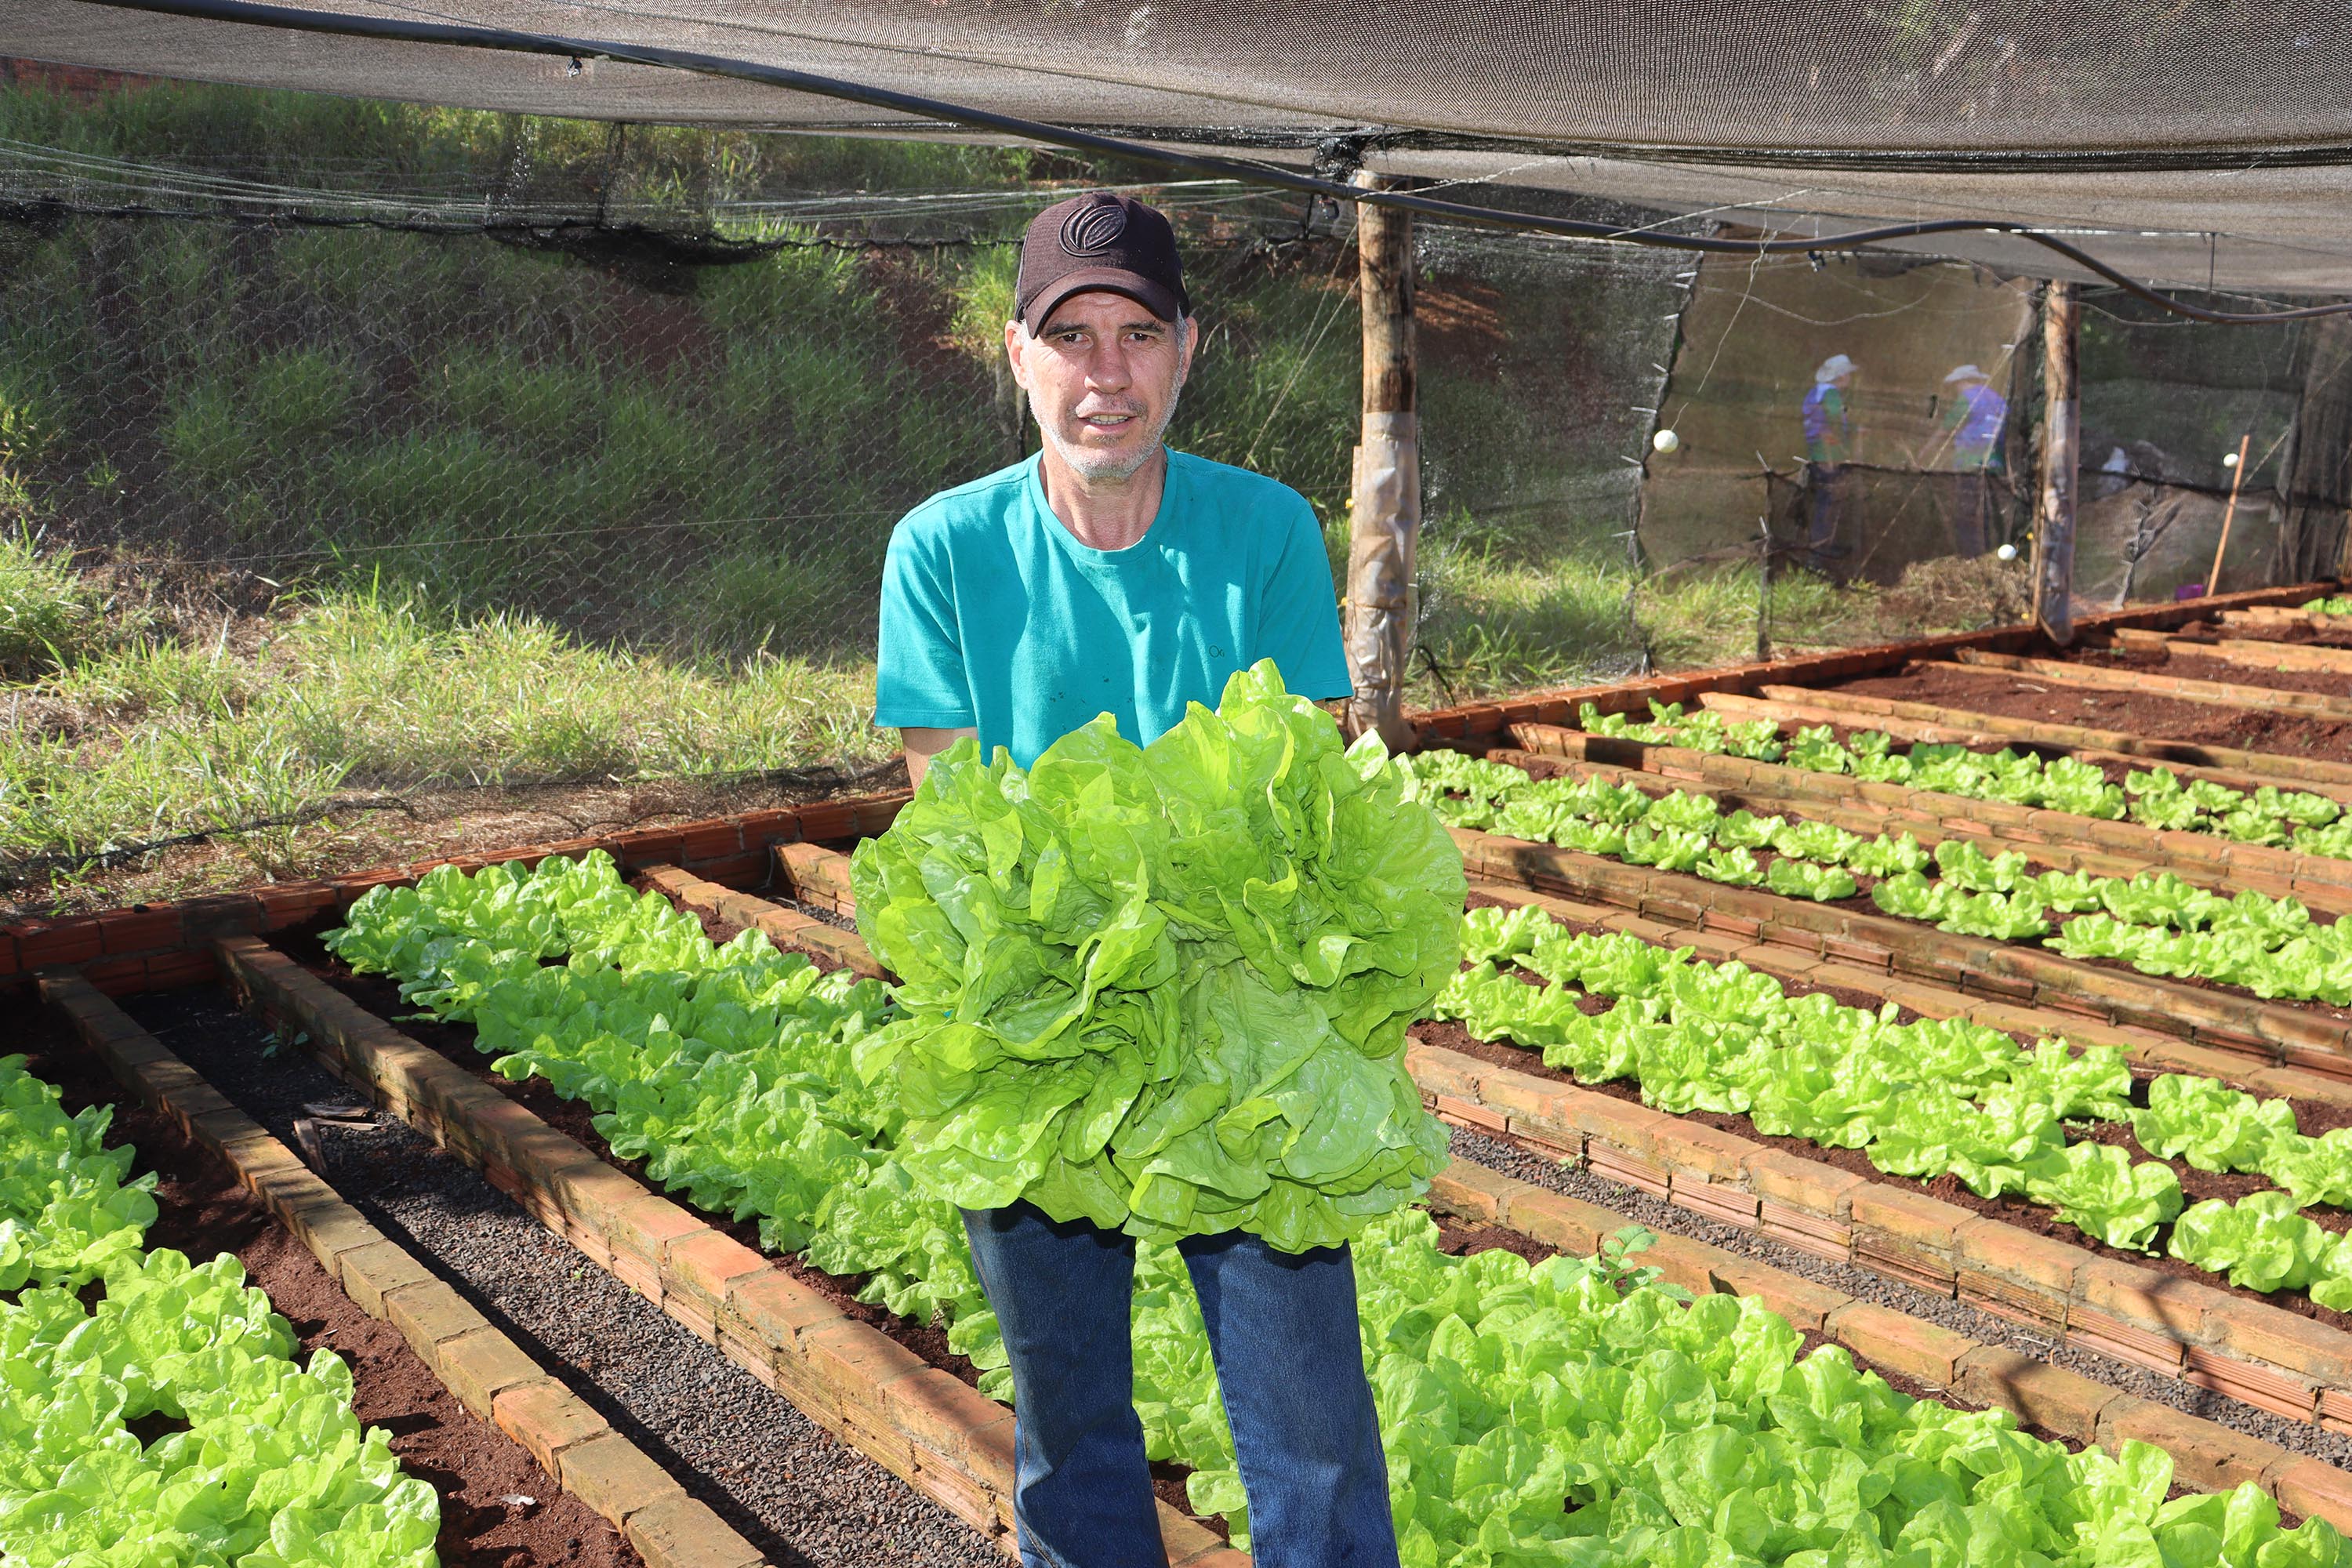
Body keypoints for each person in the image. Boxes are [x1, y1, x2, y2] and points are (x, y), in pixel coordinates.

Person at [872, 191, 1390, 1567]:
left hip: (1243, 1026)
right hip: (1041, 1035)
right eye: (1071, 336)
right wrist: (1105, 944)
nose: (1107, 373)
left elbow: (1298, 800)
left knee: (1314, 1431)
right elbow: (954, 833)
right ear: (1017, 353)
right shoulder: (943, 551)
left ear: (1187, 349)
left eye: (1139, 334)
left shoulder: (1266, 532)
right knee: (1071, 1426)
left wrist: (1178, 941)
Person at [1939, 364, 2009, 556]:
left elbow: (1946, 430)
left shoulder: (1967, 398)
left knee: (1967, 511)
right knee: (1987, 511)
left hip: (1969, 463)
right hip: (1995, 464)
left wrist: (1924, 451)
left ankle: (1970, 555)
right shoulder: (1999, 400)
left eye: (1956, 385)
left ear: (1962, 381)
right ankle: (1989, 551)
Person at [1801, 354, 1857, 568]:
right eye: (1848, 374)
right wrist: (1843, 450)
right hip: (1828, 455)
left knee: (1821, 502)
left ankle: (1823, 546)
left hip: (1816, 453)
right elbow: (1833, 426)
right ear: (1841, 376)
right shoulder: (1831, 394)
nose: (1850, 378)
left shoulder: (1815, 392)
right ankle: (1818, 553)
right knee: (1827, 502)